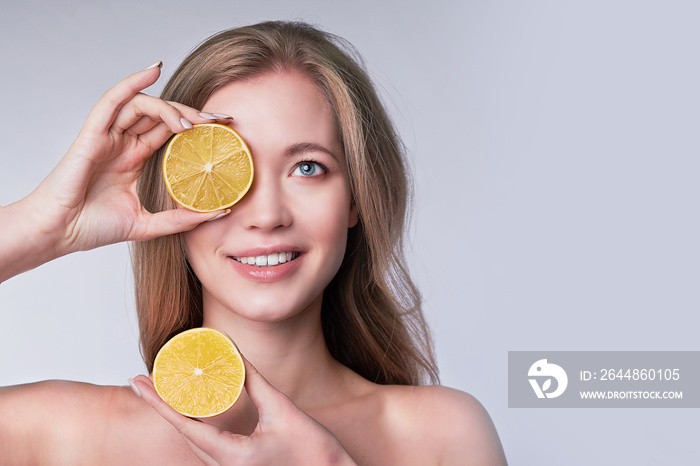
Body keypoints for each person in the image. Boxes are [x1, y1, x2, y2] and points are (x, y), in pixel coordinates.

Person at [0, 21, 507, 465]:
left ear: (355, 198)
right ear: (176, 194)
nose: (266, 216)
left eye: (307, 167)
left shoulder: (442, 437)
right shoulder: (62, 434)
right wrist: (45, 226)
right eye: (226, 169)